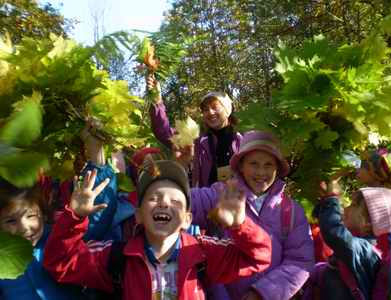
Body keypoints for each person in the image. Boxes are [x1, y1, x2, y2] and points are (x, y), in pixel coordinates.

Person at [43, 160, 272, 299]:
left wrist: (240, 226)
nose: (164, 203)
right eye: (154, 198)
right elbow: (59, 262)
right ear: (139, 215)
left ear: (187, 219)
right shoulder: (115, 257)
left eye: (175, 200)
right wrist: (74, 217)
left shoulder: (204, 252)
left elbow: (258, 258)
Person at [190, 130, 315, 300]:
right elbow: (189, 201)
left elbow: (300, 262)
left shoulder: (291, 211)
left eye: (268, 165)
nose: (261, 172)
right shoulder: (223, 195)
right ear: (241, 165)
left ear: (277, 169)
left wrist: (262, 293)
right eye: (254, 164)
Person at [147, 75, 242, 187]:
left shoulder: (243, 138)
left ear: (227, 110)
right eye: (205, 109)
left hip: (239, 200)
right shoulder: (196, 140)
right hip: (205, 201)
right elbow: (164, 132)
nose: (210, 112)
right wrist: (157, 100)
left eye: (215, 107)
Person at [316, 179, 391, 299]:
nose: (347, 207)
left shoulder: (365, 251)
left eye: (354, 205)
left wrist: (331, 199)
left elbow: (334, 232)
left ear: (369, 222)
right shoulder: (363, 246)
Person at [0, 180, 84, 300]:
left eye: (31, 216)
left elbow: (95, 229)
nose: (24, 228)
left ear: (43, 214)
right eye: (11, 221)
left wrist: (78, 214)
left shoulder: (58, 241)